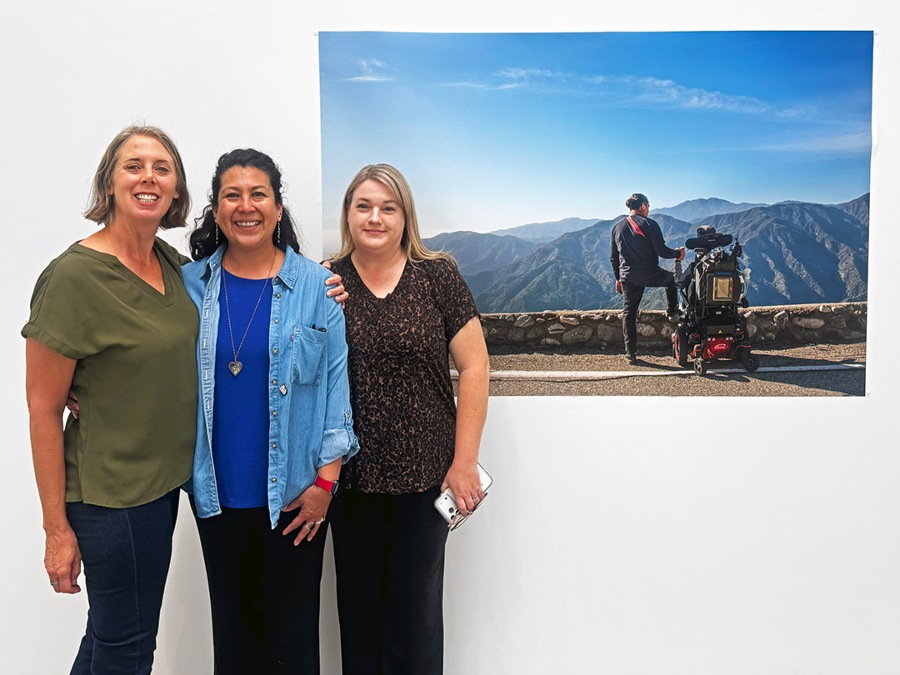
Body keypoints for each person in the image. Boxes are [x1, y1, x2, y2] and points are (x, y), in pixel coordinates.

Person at [23, 125, 198, 674]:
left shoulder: (171, 264)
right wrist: (56, 531)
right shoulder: (74, 277)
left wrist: (318, 285)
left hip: (161, 487)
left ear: (176, 190)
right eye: (133, 165)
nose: (149, 177)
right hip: (110, 499)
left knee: (110, 638)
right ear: (109, 183)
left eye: (162, 168)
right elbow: (43, 408)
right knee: (129, 650)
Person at [182, 148, 359, 675]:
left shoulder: (318, 288)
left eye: (258, 194)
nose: (246, 206)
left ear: (278, 208)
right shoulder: (188, 286)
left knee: (294, 648)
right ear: (216, 211)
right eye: (232, 196)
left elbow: (336, 394)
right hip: (216, 497)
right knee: (234, 645)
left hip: (297, 498)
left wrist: (325, 485)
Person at [327, 164, 490, 675]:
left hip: (427, 482)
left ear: (405, 216)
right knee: (359, 623)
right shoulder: (327, 280)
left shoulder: (437, 276)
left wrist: (465, 462)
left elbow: (475, 366)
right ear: (348, 214)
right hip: (350, 482)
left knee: (415, 622)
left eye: (388, 207)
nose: (375, 218)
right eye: (364, 206)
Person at [610, 192, 685, 363]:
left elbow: (614, 258)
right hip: (651, 274)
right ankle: (672, 311)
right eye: (648, 206)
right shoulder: (650, 224)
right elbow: (662, 251)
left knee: (629, 313)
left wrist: (618, 278)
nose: (648, 209)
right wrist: (678, 254)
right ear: (643, 206)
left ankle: (630, 352)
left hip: (628, 277)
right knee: (672, 280)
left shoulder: (617, 227)